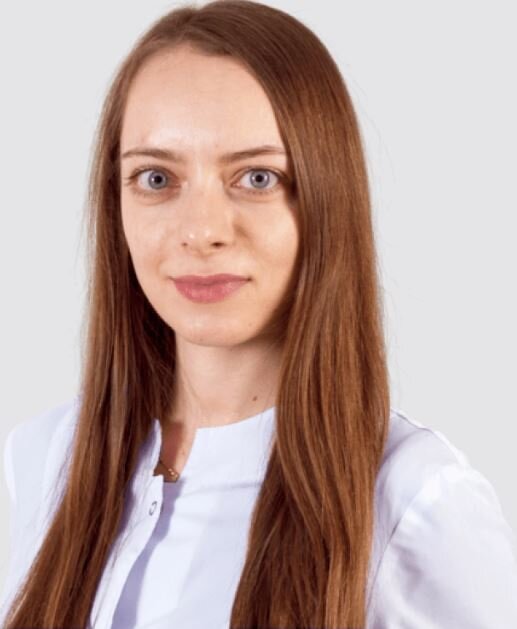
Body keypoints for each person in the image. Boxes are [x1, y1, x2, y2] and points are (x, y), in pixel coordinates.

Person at [1, 1, 517, 627]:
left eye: (257, 178)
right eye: (157, 179)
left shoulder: (415, 503)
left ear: (326, 198)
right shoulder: (45, 457)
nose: (202, 231)